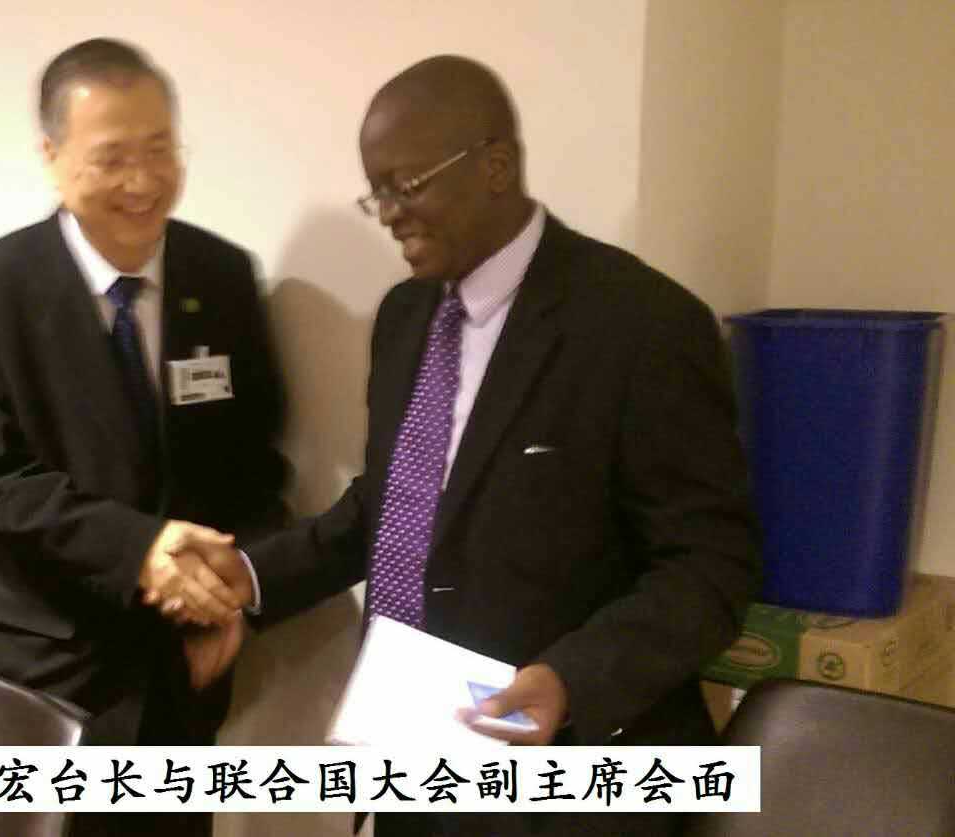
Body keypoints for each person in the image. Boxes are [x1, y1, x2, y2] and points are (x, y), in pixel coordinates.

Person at [177, 55, 761, 837]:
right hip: (413, 752)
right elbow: (393, 506)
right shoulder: (405, 318)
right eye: (376, 192)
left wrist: (571, 679)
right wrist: (249, 579)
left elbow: (711, 566)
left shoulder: (642, 325)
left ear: (495, 166)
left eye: (406, 185)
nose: (388, 213)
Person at [0, 37, 287, 834]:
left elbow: (252, 465)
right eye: (113, 158)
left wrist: (236, 597)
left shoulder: (222, 275)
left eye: (160, 150)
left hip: (187, 659)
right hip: (55, 668)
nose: (144, 181)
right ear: (52, 158)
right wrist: (140, 551)